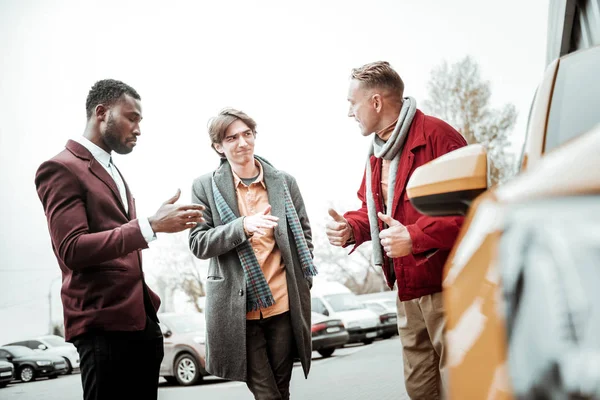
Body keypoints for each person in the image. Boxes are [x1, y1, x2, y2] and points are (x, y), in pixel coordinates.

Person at [34, 79, 205, 400]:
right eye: (132, 117)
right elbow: (72, 248)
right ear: (102, 113)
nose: (138, 128)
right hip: (103, 326)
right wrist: (150, 225)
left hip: (140, 324)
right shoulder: (61, 168)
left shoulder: (112, 168)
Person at [325, 61, 467, 399]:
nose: (349, 112)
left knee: (461, 388)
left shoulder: (438, 136)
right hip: (406, 288)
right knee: (420, 389)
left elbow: (473, 211)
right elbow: (371, 210)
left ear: (375, 102)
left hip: (447, 286)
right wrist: (350, 228)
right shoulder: (377, 154)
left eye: (352, 102)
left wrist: (415, 237)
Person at [188, 108, 316, 400]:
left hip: (283, 302)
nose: (242, 142)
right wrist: (241, 226)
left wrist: (303, 282)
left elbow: (305, 235)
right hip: (237, 310)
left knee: (281, 389)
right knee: (267, 393)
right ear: (218, 147)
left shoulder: (284, 182)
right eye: (231, 137)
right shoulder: (204, 187)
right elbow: (198, 242)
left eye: (247, 134)